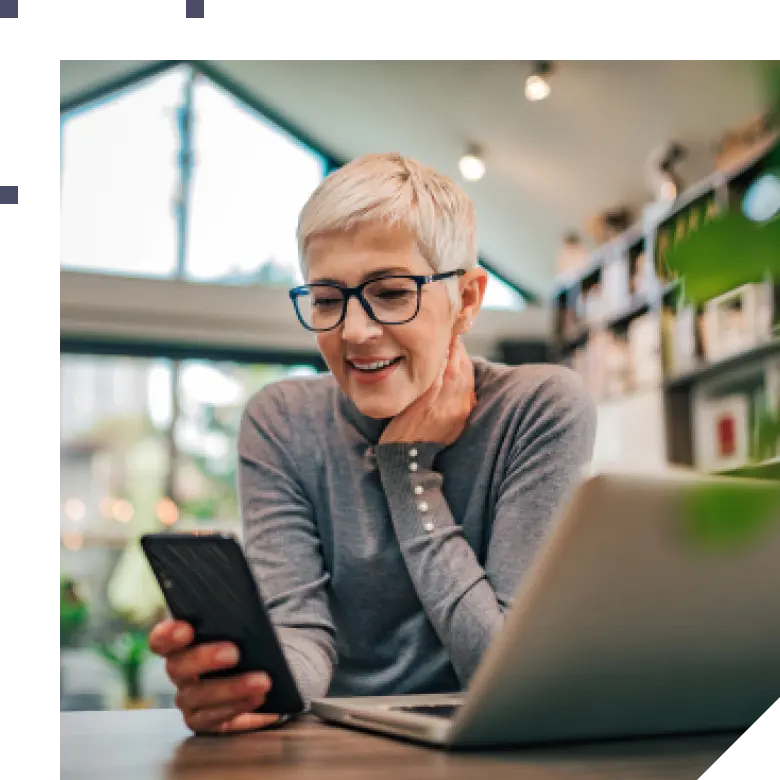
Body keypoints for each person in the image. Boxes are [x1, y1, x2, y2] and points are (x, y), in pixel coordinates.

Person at [149, 152, 596, 734]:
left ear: (466, 300)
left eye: (390, 292)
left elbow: (503, 673)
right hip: (337, 752)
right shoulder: (282, 422)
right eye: (328, 300)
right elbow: (303, 635)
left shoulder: (539, 410)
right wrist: (254, 682)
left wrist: (407, 469)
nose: (355, 332)